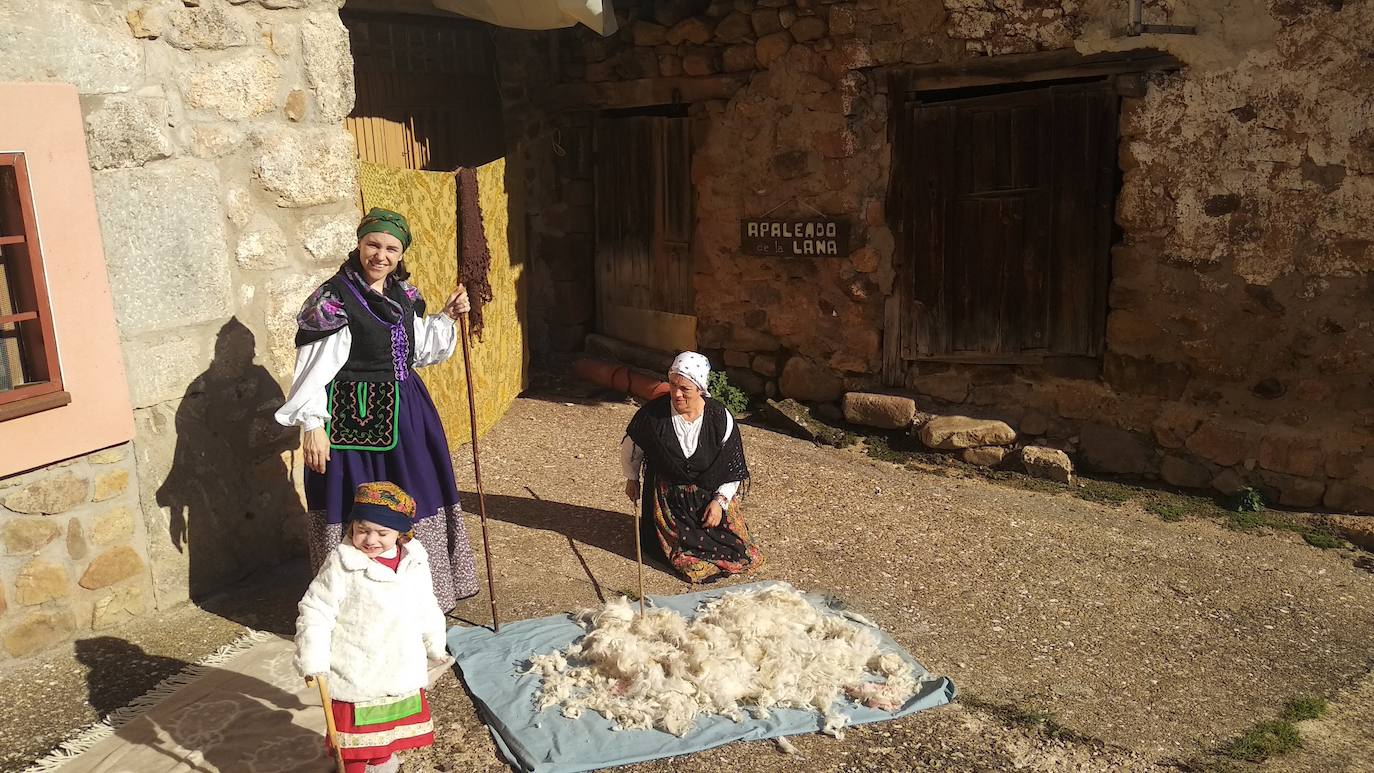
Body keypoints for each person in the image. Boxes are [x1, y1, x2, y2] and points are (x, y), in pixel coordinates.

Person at [275, 207, 477, 610]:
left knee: (416, 489)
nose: (380, 255)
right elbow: (312, 368)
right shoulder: (331, 299)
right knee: (353, 497)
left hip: (408, 413)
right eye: (373, 244)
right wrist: (314, 426)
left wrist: (448, 317)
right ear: (359, 243)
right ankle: (353, 604)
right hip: (352, 416)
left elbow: (417, 349)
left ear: (400, 254)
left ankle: (420, 598)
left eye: (391, 248)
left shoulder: (405, 294)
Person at [296, 482, 448, 773]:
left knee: (385, 731)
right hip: (357, 665)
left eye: (382, 533)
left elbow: (426, 604)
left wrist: (433, 642)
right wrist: (313, 658)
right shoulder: (342, 564)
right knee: (354, 738)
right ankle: (355, 767)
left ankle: (380, 761)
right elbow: (316, 609)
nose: (370, 540)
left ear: (401, 534)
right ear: (352, 525)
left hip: (398, 662)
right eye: (362, 530)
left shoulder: (415, 561)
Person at [620, 352, 762, 583]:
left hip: (709, 495)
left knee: (743, 555)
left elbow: (731, 466)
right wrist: (632, 478)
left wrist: (719, 502)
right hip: (669, 500)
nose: (676, 393)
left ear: (700, 388)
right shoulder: (652, 416)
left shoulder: (720, 417)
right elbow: (631, 448)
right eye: (673, 384)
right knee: (689, 562)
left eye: (684, 388)